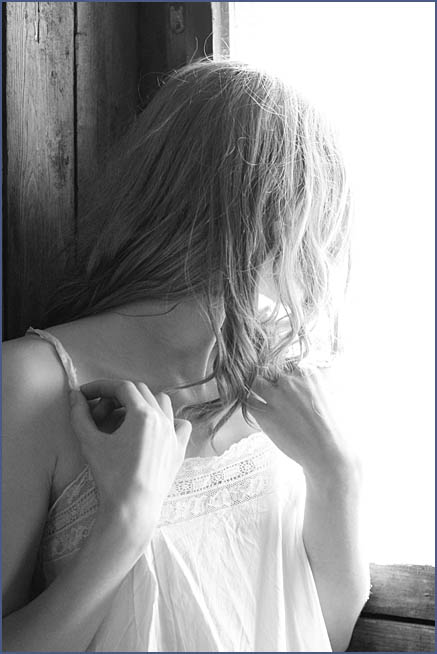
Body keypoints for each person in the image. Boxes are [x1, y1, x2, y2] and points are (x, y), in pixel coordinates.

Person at [2, 59, 370, 652]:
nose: (325, 241)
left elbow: (324, 631)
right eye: (314, 206)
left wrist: (337, 475)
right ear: (254, 209)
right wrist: (125, 525)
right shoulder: (31, 383)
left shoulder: (283, 380)